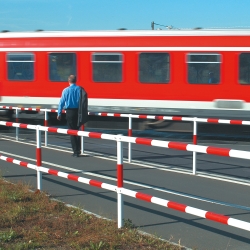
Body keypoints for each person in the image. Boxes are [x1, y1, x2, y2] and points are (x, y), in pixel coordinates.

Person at [57, 75, 87, 157]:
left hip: (69, 112)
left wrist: (59, 113)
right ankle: (79, 150)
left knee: (71, 131)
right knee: (78, 130)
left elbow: (61, 102)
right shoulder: (80, 89)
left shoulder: (65, 90)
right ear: (76, 81)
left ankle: (75, 151)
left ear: (68, 81)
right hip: (79, 112)